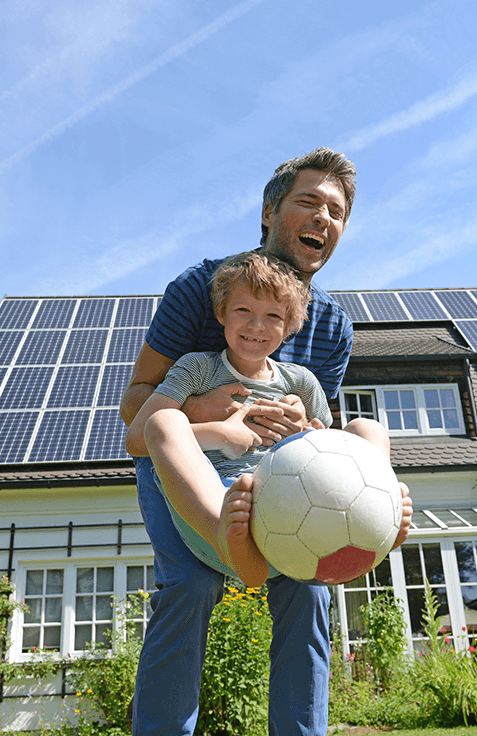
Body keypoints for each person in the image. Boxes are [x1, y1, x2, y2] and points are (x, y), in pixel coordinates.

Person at [119, 148, 412, 736]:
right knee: (191, 586)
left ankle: (376, 521)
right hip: (189, 465)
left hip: (279, 479)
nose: (322, 217)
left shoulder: (331, 326)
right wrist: (211, 414)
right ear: (269, 211)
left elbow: (324, 442)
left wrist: (310, 434)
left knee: (307, 592)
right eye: (308, 201)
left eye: (336, 211)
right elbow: (138, 412)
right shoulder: (201, 286)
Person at [125, 251, 394, 588]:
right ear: (221, 313)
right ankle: (226, 539)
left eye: (272, 316)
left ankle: (380, 514)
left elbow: (330, 452)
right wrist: (220, 434)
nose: (256, 326)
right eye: (243, 311)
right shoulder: (197, 369)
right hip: (219, 507)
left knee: (366, 429)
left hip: (287, 508)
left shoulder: (301, 382)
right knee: (163, 421)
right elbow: (137, 438)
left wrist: (305, 434)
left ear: (289, 327)